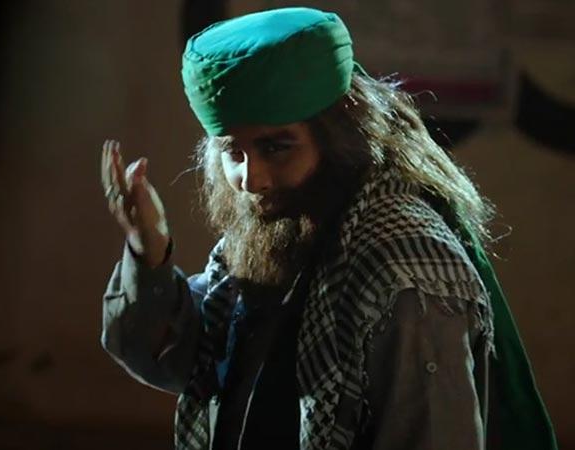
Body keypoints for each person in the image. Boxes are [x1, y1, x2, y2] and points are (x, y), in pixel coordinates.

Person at [100, 7, 556, 450]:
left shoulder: (403, 266)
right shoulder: (281, 228)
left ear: (339, 133)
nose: (250, 180)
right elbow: (192, 363)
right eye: (233, 153)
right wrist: (149, 250)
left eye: (276, 148)